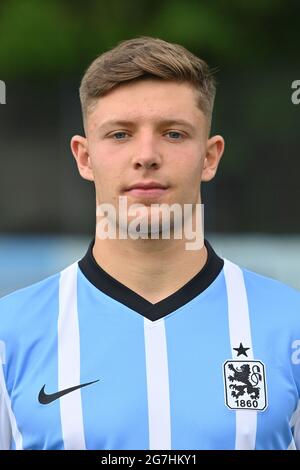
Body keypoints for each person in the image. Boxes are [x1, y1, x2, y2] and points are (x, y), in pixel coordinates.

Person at [0, 37, 300, 451]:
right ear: (84, 157)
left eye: (174, 134)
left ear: (210, 157)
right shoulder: (8, 334)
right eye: (120, 134)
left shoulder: (291, 327)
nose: (146, 155)